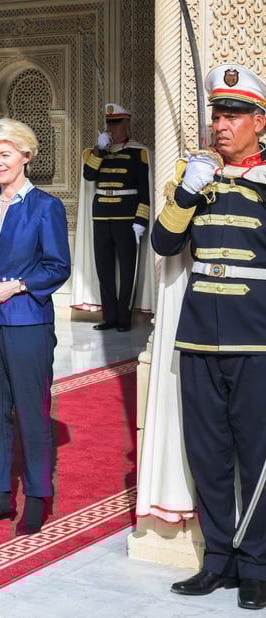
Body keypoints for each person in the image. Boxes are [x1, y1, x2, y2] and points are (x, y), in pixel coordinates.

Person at [152, 63, 266, 610]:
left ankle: (258, 564)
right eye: (217, 115)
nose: (221, 125)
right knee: (209, 455)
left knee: (258, 457)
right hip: (198, 339)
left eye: (234, 116)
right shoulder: (193, 178)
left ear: (258, 123)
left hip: (257, 341)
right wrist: (187, 194)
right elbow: (165, 244)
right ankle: (218, 559)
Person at [0, 118, 70, 536]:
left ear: (26, 155)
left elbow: (57, 266)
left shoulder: (46, 207)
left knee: (30, 410)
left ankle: (39, 497)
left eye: (5, 154)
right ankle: (1, 495)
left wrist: (15, 287)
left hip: (26, 322)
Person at [82, 103, 151, 332]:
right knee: (104, 269)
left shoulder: (138, 152)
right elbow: (89, 175)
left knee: (128, 269)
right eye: (109, 124)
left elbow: (144, 190)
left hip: (126, 217)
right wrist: (100, 151)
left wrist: (140, 220)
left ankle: (123, 318)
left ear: (127, 123)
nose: (113, 129)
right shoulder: (97, 152)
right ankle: (109, 316)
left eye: (117, 124)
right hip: (101, 217)